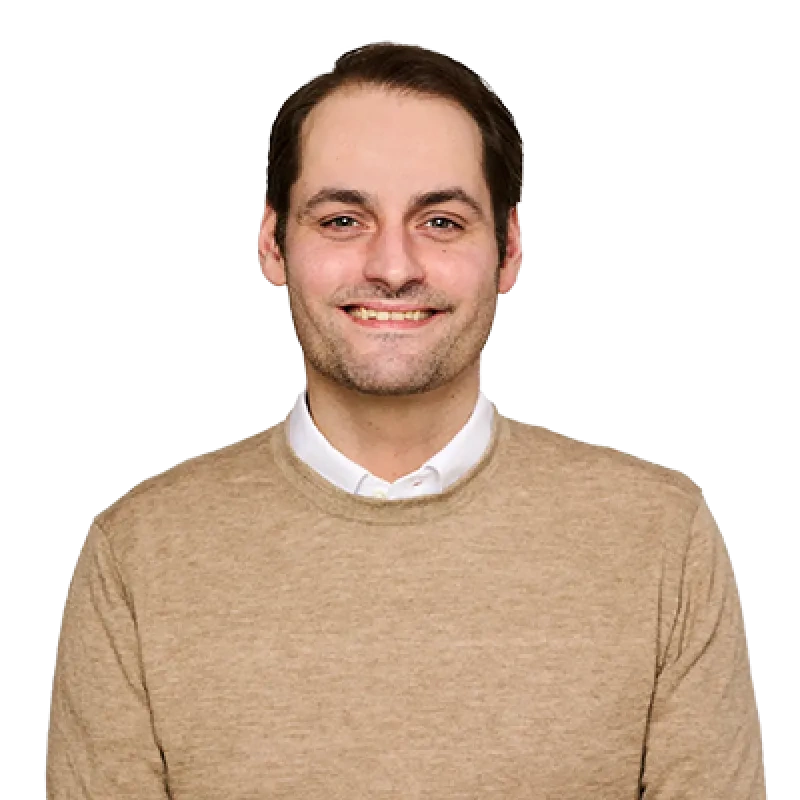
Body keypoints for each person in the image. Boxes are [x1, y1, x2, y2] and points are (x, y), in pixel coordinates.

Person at [47, 42, 766, 798]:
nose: (393, 266)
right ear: (271, 245)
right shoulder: (139, 552)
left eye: (442, 221)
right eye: (343, 219)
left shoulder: (659, 536)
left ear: (510, 251)